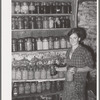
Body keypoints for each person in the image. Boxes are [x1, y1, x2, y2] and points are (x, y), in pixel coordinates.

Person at [56, 28, 94, 100]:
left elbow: (90, 67)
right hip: (68, 80)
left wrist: (77, 69)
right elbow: (68, 67)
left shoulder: (84, 51)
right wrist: (58, 69)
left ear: (79, 39)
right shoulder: (68, 51)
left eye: (74, 38)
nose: (72, 40)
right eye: (70, 38)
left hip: (79, 82)